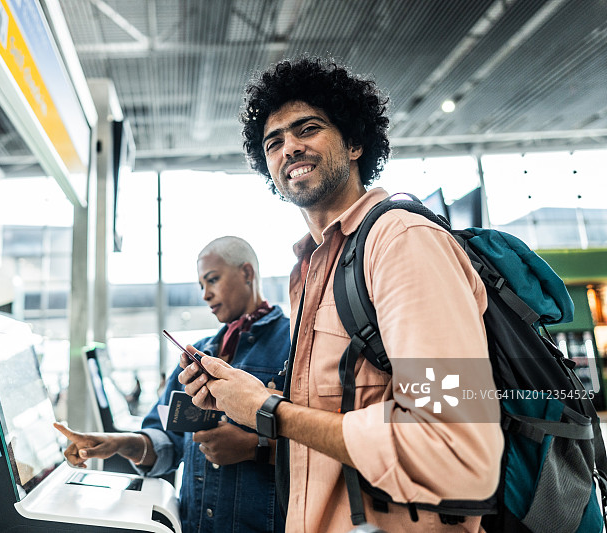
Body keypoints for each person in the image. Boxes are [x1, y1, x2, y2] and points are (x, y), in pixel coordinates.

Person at [178, 56, 504, 532]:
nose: (289, 147)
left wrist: (269, 411)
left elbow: (456, 449)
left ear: (354, 142)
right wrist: (242, 394)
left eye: (307, 129)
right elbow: (338, 414)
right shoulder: (313, 269)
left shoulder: (401, 243)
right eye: (274, 142)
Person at [55, 236, 290, 533]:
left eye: (212, 280)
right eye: (201, 286)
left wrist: (255, 448)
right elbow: (167, 443)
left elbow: (320, 444)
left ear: (246, 273)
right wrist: (118, 443)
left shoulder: (294, 346)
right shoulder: (200, 354)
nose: (205, 294)